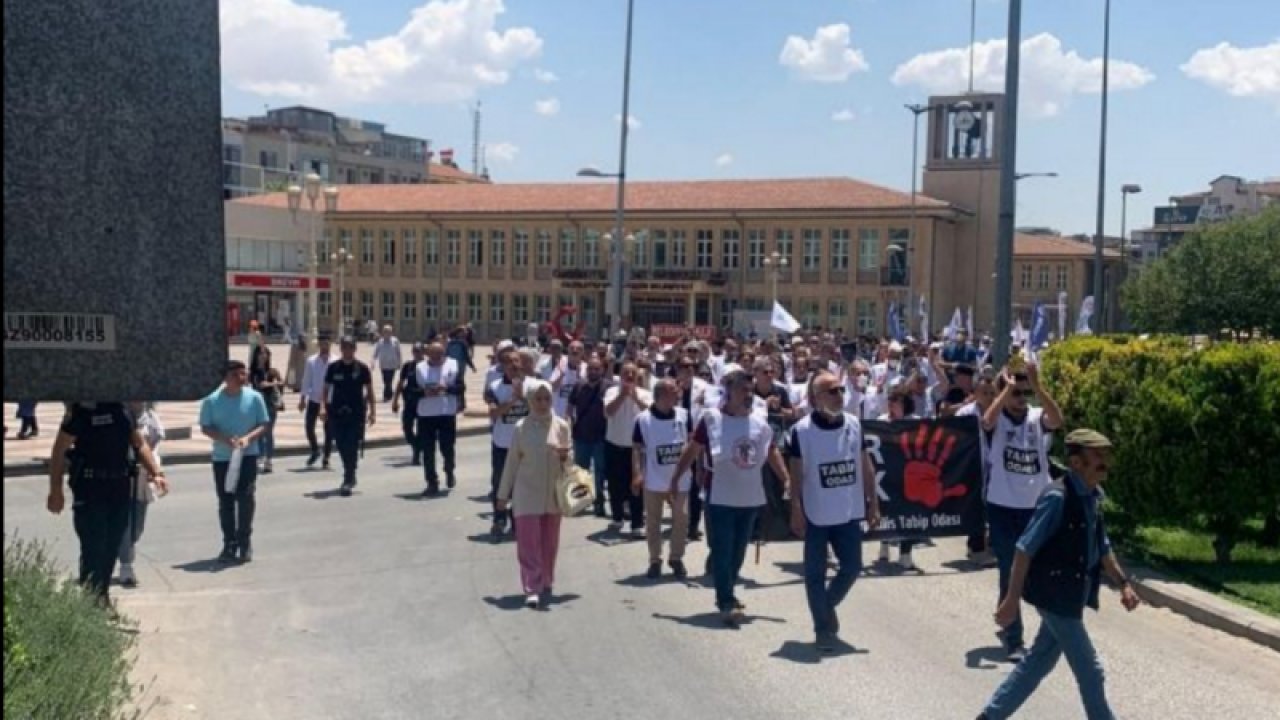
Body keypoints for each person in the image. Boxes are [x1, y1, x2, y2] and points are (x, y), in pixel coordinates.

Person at [977, 430, 1141, 720]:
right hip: (1054, 595)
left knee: (1036, 663)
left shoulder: (1091, 497)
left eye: (1105, 455)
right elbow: (1024, 549)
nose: (1104, 461)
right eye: (1096, 456)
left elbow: (1102, 546)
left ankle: (990, 716)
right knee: (1091, 670)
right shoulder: (1057, 497)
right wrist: (1011, 600)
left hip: (1070, 594)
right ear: (1076, 462)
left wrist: (1124, 584)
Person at [671, 367, 791, 627]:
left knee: (738, 552)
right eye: (742, 390)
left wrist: (786, 479)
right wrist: (675, 477)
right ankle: (726, 600)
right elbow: (692, 449)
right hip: (720, 497)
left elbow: (772, 453)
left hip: (749, 498)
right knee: (723, 549)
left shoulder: (759, 423)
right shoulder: (711, 419)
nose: (748, 395)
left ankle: (728, 588)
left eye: (750, 390)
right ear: (729, 392)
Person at [788, 372, 880, 652]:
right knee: (815, 574)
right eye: (832, 391)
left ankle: (825, 605)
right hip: (816, 512)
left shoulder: (853, 424)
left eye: (841, 390)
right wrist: (795, 508)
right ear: (816, 398)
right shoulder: (801, 431)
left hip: (848, 511)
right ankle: (822, 629)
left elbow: (865, 465)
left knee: (852, 568)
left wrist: (873, 502)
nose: (839, 395)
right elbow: (796, 476)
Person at [982, 362, 1064, 662]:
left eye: (1023, 393)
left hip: (1034, 507)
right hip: (1002, 506)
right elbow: (987, 422)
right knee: (1009, 568)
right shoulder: (998, 418)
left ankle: (1044, 630)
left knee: (1040, 570)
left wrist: (1038, 387)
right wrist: (1004, 391)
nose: (1020, 398)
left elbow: (1056, 420)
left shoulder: (1034, 417)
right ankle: (1014, 639)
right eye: (1016, 393)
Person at [47, 402, 167, 604]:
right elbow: (59, 450)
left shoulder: (122, 411)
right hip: (90, 488)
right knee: (93, 547)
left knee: (111, 546)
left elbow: (139, 444)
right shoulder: (81, 412)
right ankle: (92, 600)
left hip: (118, 488)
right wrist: (55, 490)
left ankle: (102, 596)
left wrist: (156, 472)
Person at [496, 382, 572, 609]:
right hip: (526, 493)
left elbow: (570, 461)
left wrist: (564, 457)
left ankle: (546, 579)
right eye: (537, 399)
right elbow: (511, 463)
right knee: (528, 544)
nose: (542, 404)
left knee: (550, 543)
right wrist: (502, 495)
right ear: (530, 401)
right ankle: (531, 587)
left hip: (553, 494)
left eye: (546, 399)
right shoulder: (521, 427)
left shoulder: (561, 426)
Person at [199, 361, 270, 563]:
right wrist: (224, 439)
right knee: (225, 501)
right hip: (223, 458)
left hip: (247, 456)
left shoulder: (254, 397)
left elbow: (264, 424)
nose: (243, 377)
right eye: (238, 374)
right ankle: (229, 542)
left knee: (246, 497)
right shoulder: (212, 401)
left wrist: (248, 438)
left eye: (244, 373)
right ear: (227, 377)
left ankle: (245, 541)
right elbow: (206, 427)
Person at [632, 379, 692, 580]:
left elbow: (692, 443)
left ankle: (676, 557)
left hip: (680, 477)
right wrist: (638, 473)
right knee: (653, 521)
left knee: (681, 518)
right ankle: (654, 560)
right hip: (654, 478)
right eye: (673, 391)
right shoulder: (643, 420)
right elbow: (637, 449)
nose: (678, 393)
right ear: (662, 394)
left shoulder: (684, 415)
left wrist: (697, 468)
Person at [117, 402, 166, 589]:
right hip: (123, 476)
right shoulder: (121, 416)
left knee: (137, 526)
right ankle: (126, 565)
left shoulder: (150, 417)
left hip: (145, 477)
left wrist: (156, 471)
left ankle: (121, 549)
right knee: (126, 523)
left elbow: (153, 447)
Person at [486, 348, 532, 541]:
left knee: (522, 486)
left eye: (516, 361)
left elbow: (541, 410)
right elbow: (494, 413)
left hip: (525, 445)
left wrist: (523, 397)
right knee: (499, 484)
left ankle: (517, 522)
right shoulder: (494, 386)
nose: (513, 366)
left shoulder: (532, 385)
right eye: (508, 363)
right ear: (503, 366)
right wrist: (512, 400)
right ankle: (499, 520)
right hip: (502, 443)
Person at [876, 381, 922, 570]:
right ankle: (884, 545)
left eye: (896, 401)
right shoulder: (880, 421)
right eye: (890, 401)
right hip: (886, 474)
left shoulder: (916, 422)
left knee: (910, 512)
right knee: (886, 511)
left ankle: (905, 553)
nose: (891, 404)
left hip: (910, 475)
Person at [323, 337, 377, 497]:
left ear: (354, 349)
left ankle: (348, 477)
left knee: (352, 445)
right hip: (337, 412)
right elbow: (325, 389)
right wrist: (322, 407)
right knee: (339, 443)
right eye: (345, 347)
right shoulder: (333, 368)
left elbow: (370, 391)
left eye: (350, 347)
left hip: (356, 413)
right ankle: (350, 470)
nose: (347, 350)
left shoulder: (362, 368)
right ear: (341, 349)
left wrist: (373, 412)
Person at [604, 362, 652, 538]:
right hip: (614, 444)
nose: (629, 376)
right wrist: (622, 396)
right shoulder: (611, 392)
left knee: (636, 485)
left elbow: (650, 413)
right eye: (626, 373)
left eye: (633, 373)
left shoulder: (645, 394)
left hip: (636, 449)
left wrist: (635, 398)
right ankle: (617, 517)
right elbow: (608, 412)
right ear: (621, 376)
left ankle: (637, 523)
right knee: (615, 484)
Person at [415, 342, 464, 496]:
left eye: (440, 354)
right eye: (433, 354)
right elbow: (410, 391)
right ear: (428, 354)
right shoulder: (420, 368)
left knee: (447, 447)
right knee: (428, 450)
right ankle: (431, 481)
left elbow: (461, 387)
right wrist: (424, 393)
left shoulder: (453, 365)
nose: (436, 358)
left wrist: (446, 389)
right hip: (426, 414)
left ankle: (449, 470)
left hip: (446, 413)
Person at [568, 356, 610, 517]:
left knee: (600, 471)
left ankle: (599, 501)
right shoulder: (578, 386)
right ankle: (582, 501)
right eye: (590, 368)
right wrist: (569, 422)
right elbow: (570, 406)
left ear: (602, 370)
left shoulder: (608, 387)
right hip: (581, 436)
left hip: (601, 436)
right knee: (581, 471)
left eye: (596, 369)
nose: (593, 371)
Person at [299, 336, 336, 469]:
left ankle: (326, 457)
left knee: (329, 430)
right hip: (314, 399)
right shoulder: (312, 361)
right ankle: (315, 449)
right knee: (309, 427)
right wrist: (302, 399)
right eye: (322, 344)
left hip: (330, 400)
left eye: (327, 343)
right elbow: (306, 380)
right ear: (319, 345)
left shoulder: (335, 361)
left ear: (330, 344)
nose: (325, 346)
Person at [251, 347, 285, 474]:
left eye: (265, 354)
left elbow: (281, 382)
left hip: (270, 405)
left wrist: (273, 384)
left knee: (268, 432)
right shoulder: (253, 372)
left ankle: (269, 460)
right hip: (257, 405)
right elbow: (258, 385)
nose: (263, 356)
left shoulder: (272, 371)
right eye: (260, 354)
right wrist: (271, 384)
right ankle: (260, 457)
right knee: (259, 433)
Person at [392, 343, 427, 466]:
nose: (417, 353)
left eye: (419, 351)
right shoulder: (408, 366)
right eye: (415, 351)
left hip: (424, 403)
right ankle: (416, 446)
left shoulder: (428, 366)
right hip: (410, 402)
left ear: (424, 352)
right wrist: (395, 400)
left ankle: (417, 453)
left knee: (423, 430)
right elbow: (401, 383)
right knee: (407, 429)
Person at [372, 325, 403, 403]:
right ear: (383, 332)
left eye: (388, 331)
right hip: (383, 364)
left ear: (391, 332)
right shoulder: (380, 341)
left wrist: (400, 362)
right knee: (385, 380)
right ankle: (390, 393)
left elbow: (398, 352)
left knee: (389, 380)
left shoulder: (395, 341)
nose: (387, 333)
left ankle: (386, 395)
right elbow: (376, 352)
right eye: (385, 331)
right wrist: (373, 362)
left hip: (392, 364)